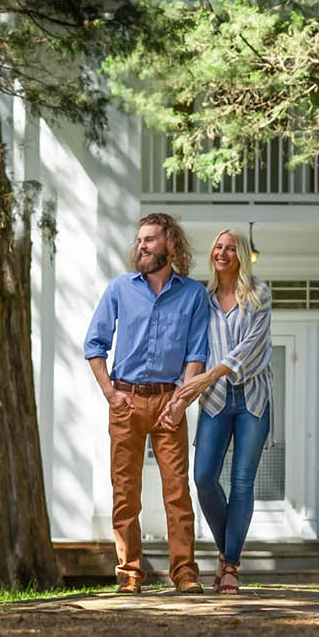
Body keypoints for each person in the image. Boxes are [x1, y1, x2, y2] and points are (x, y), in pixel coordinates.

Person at [83, 212, 211, 595]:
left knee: (177, 492)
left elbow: (196, 354)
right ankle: (129, 575)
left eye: (150, 239)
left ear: (170, 245)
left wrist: (180, 401)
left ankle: (185, 574)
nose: (141, 245)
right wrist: (110, 393)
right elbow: (95, 344)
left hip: (170, 403)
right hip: (126, 402)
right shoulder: (120, 289)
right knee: (125, 492)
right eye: (139, 240)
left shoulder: (193, 295)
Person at [170, 228, 274, 596]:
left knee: (242, 481)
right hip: (214, 400)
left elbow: (252, 348)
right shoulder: (203, 298)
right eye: (218, 246)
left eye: (231, 248)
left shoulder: (259, 294)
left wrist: (209, 375)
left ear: (242, 256)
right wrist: (184, 393)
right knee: (203, 478)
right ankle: (227, 551)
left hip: (252, 399)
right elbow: (194, 347)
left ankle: (230, 567)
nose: (223, 252)